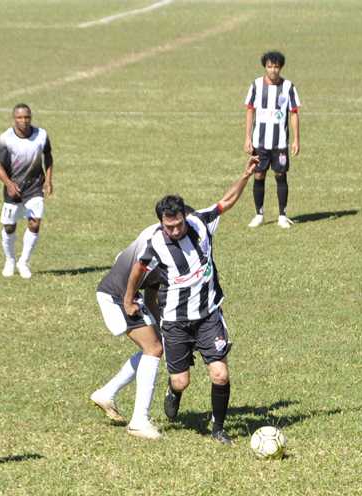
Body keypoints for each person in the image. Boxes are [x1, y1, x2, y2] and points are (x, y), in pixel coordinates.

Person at [124, 156, 258, 445]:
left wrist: (246, 175)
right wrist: (128, 298)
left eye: (178, 225)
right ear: (161, 222)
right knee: (180, 380)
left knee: (220, 374)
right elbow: (137, 270)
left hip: (209, 314)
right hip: (175, 321)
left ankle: (218, 428)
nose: (174, 231)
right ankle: (175, 392)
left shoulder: (200, 224)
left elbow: (226, 201)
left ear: (184, 216)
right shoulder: (155, 244)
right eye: (168, 226)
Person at [92, 224, 164, 440]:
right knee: (153, 348)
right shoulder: (160, 245)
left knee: (154, 345)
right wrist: (127, 300)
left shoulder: (162, 241)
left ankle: (106, 394)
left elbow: (151, 295)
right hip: (117, 297)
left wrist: (159, 327)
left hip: (122, 295)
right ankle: (139, 421)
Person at [0, 103, 54, 279]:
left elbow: (48, 156)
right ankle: (10, 260)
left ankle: (23, 261)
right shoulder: (6, 138)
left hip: (35, 186)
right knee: (9, 226)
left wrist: (48, 180)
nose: (24, 121)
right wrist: (9, 184)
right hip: (14, 189)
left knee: (35, 223)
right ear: (14, 119)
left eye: (27, 117)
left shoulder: (41, 135)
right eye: (20, 117)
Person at [243, 50, 301, 229]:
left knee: (280, 175)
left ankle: (282, 215)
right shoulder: (256, 86)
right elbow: (250, 110)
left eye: (276, 67)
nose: (273, 70)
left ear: (281, 67)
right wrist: (247, 138)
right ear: (265, 67)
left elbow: (294, 113)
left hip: (280, 143)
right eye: (270, 66)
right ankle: (259, 214)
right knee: (258, 174)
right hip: (260, 142)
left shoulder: (289, 87)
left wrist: (296, 139)